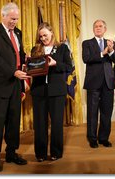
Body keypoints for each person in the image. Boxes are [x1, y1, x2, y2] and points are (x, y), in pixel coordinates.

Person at [0, 2, 30, 173]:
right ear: (3, 16)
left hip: (15, 85)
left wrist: (29, 61)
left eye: (17, 19)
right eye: (12, 19)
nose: (14, 22)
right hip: (0, 85)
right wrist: (14, 72)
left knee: (13, 121)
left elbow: (20, 54)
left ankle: (11, 152)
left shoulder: (17, 32)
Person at [30, 22, 72, 162]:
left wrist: (56, 64)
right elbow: (32, 69)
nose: (43, 38)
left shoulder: (62, 48)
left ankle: (56, 152)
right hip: (39, 91)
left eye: (45, 35)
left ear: (51, 33)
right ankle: (40, 154)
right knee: (40, 124)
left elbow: (68, 67)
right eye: (40, 36)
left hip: (57, 91)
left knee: (56, 123)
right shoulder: (35, 49)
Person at [82, 19, 115, 148]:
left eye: (100, 26)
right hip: (93, 82)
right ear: (93, 29)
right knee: (92, 112)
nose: (98, 28)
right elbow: (86, 58)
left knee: (106, 112)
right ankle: (92, 138)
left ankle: (103, 138)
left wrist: (110, 50)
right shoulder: (87, 43)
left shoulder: (110, 43)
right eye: (96, 26)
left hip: (108, 83)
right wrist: (102, 53)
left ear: (105, 29)